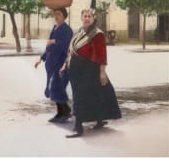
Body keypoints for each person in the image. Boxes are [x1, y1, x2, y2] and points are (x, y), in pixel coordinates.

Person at [60, 8, 121, 138]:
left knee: (80, 98)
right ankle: (99, 120)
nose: (87, 18)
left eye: (89, 16)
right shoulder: (78, 32)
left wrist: (102, 72)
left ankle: (78, 128)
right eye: (85, 16)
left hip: (90, 70)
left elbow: (102, 54)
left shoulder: (97, 34)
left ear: (93, 19)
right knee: (96, 95)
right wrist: (65, 65)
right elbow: (71, 51)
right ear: (81, 18)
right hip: (76, 70)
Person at [34, 7, 73, 123]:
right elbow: (49, 47)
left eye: (59, 14)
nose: (56, 16)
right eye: (55, 14)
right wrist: (41, 58)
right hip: (52, 65)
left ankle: (66, 111)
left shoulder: (67, 30)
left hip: (62, 64)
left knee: (56, 88)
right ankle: (60, 113)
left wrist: (55, 41)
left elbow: (67, 47)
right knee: (54, 90)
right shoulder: (54, 28)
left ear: (64, 16)